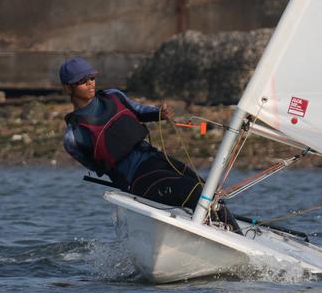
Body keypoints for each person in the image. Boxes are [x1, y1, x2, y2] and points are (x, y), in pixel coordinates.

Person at [59, 56, 238, 229]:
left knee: (208, 192)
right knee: (196, 193)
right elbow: (97, 167)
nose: (90, 83)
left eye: (92, 77)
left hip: (155, 159)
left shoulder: (113, 96)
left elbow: (139, 110)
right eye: (82, 81)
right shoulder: (73, 136)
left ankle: (233, 234)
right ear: (68, 89)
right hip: (136, 178)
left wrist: (159, 113)